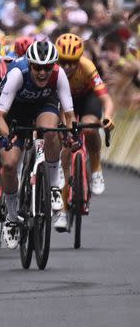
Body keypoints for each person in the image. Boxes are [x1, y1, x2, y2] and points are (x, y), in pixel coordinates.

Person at [0, 40, 77, 249]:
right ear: (30, 64)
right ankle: (12, 218)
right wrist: (7, 136)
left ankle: (54, 185)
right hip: (16, 112)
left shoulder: (59, 75)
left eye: (47, 67)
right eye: (38, 67)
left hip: (44, 106)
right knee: (10, 165)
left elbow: (68, 114)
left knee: (50, 131)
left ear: (53, 66)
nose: (42, 72)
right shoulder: (16, 74)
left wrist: (71, 133)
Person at [55, 33, 114, 201]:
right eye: (63, 61)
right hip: (65, 101)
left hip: (87, 98)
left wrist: (108, 116)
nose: (66, 66)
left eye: (72, 62)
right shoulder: (53, 68)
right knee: (61, 131)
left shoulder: (88, 66)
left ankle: (95, 169)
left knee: (89, 128)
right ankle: (60, 167)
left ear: (79, 58)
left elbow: (105, 98)